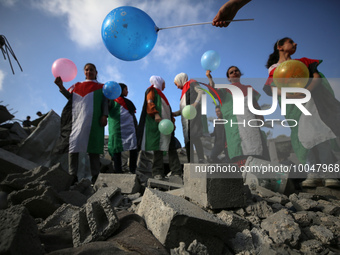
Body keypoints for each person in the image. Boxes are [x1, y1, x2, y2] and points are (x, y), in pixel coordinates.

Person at [264, 37, 340, 188]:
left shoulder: (304, 62)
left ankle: (330, 174)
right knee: (303, 138)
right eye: (291, 42)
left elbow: (316, 78)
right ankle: (313, 174)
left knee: (321, 134)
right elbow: (271, 87)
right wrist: (291, 96)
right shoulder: (274, 69)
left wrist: (306, 92)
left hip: (312, 102)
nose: (295, 44)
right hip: (293, 107)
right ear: (280, 47)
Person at [54, 63, 108, 185]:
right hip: (77, 120)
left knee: (93, 149)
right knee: (73, 147)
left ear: (96, 72)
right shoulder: (76, 86)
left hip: (94, 121)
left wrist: (105, 115)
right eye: (87, 70)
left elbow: (105, 102)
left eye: (92, 70)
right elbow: (70, 98)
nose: (89, 72)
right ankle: (72, 175)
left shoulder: (102, 87)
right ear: (84, 72)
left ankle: (96, 176)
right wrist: (61, 87)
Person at [207, 68, 268, 167]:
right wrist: (210, 78)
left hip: (251, 126)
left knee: (256, 154)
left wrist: (260, 117)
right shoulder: (224, 90)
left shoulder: (248, 88)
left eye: (236, 71)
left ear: (240, 73)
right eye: (231, 72)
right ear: (228, 78)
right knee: (238, 155)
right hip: (233, 129)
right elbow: (213, 91)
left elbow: (255, 105)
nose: (234, 72)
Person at [137, 75, 182, 180]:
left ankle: (177, 172)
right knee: (158, 148)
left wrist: (172, 123)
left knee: (172, 148)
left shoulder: (162, 95)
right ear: (158, 81)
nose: (165, 86)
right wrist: (155, 114)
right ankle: (157, 173)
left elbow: (167, 111)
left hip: (167, 127)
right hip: (157, 125)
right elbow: (150, 102)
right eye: (164, 83)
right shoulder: (151, 90)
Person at [173, 73, 205, 163]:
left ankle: (201, 159)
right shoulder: (183, 93)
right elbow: (183, 110)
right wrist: (174, 114)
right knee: (187, 140)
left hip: (194, 116)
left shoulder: (192, 83)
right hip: (186, 120)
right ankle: (190, 161)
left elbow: (201, 92)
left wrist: (195, 104)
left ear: (180, 80)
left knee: (195, 137)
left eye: (176, 84)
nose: (177, 87)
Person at [108, 83, 138, 174]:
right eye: (126, 89)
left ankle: (133, 169)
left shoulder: (129, 102)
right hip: (117, 129)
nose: (127, 91)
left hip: (130, 129)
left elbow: (132, 116)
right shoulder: (111, 101)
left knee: (133, 148)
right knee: (117, 149)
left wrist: (136, 126)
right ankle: (118, 171)